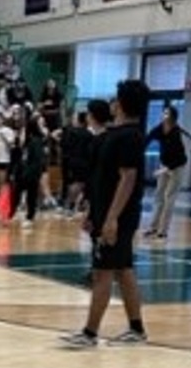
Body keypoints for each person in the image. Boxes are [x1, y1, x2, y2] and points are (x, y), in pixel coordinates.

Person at [59, 82, 149, 349]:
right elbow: (103, 180)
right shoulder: (115, 135)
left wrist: (111, 219)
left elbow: (128, 178)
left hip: (118, 217)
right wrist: (92, 212)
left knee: (102, 273)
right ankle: (136, 329)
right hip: (105, 213)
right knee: (123, 270)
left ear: (119, 103)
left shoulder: (130, 137)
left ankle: (89, 333)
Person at [143, 105, 190, 239]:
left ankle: (163, 231)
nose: (164, 116)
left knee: (170, 197)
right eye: (163, 113)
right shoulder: (159, 129)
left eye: (167, 114)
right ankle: (153, 227)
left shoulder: (175, 133)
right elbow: (148, 139)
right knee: (158, 197)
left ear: (173, 117)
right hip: (164, 165)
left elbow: (181, 157)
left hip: (177, 167)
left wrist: (166, 169)